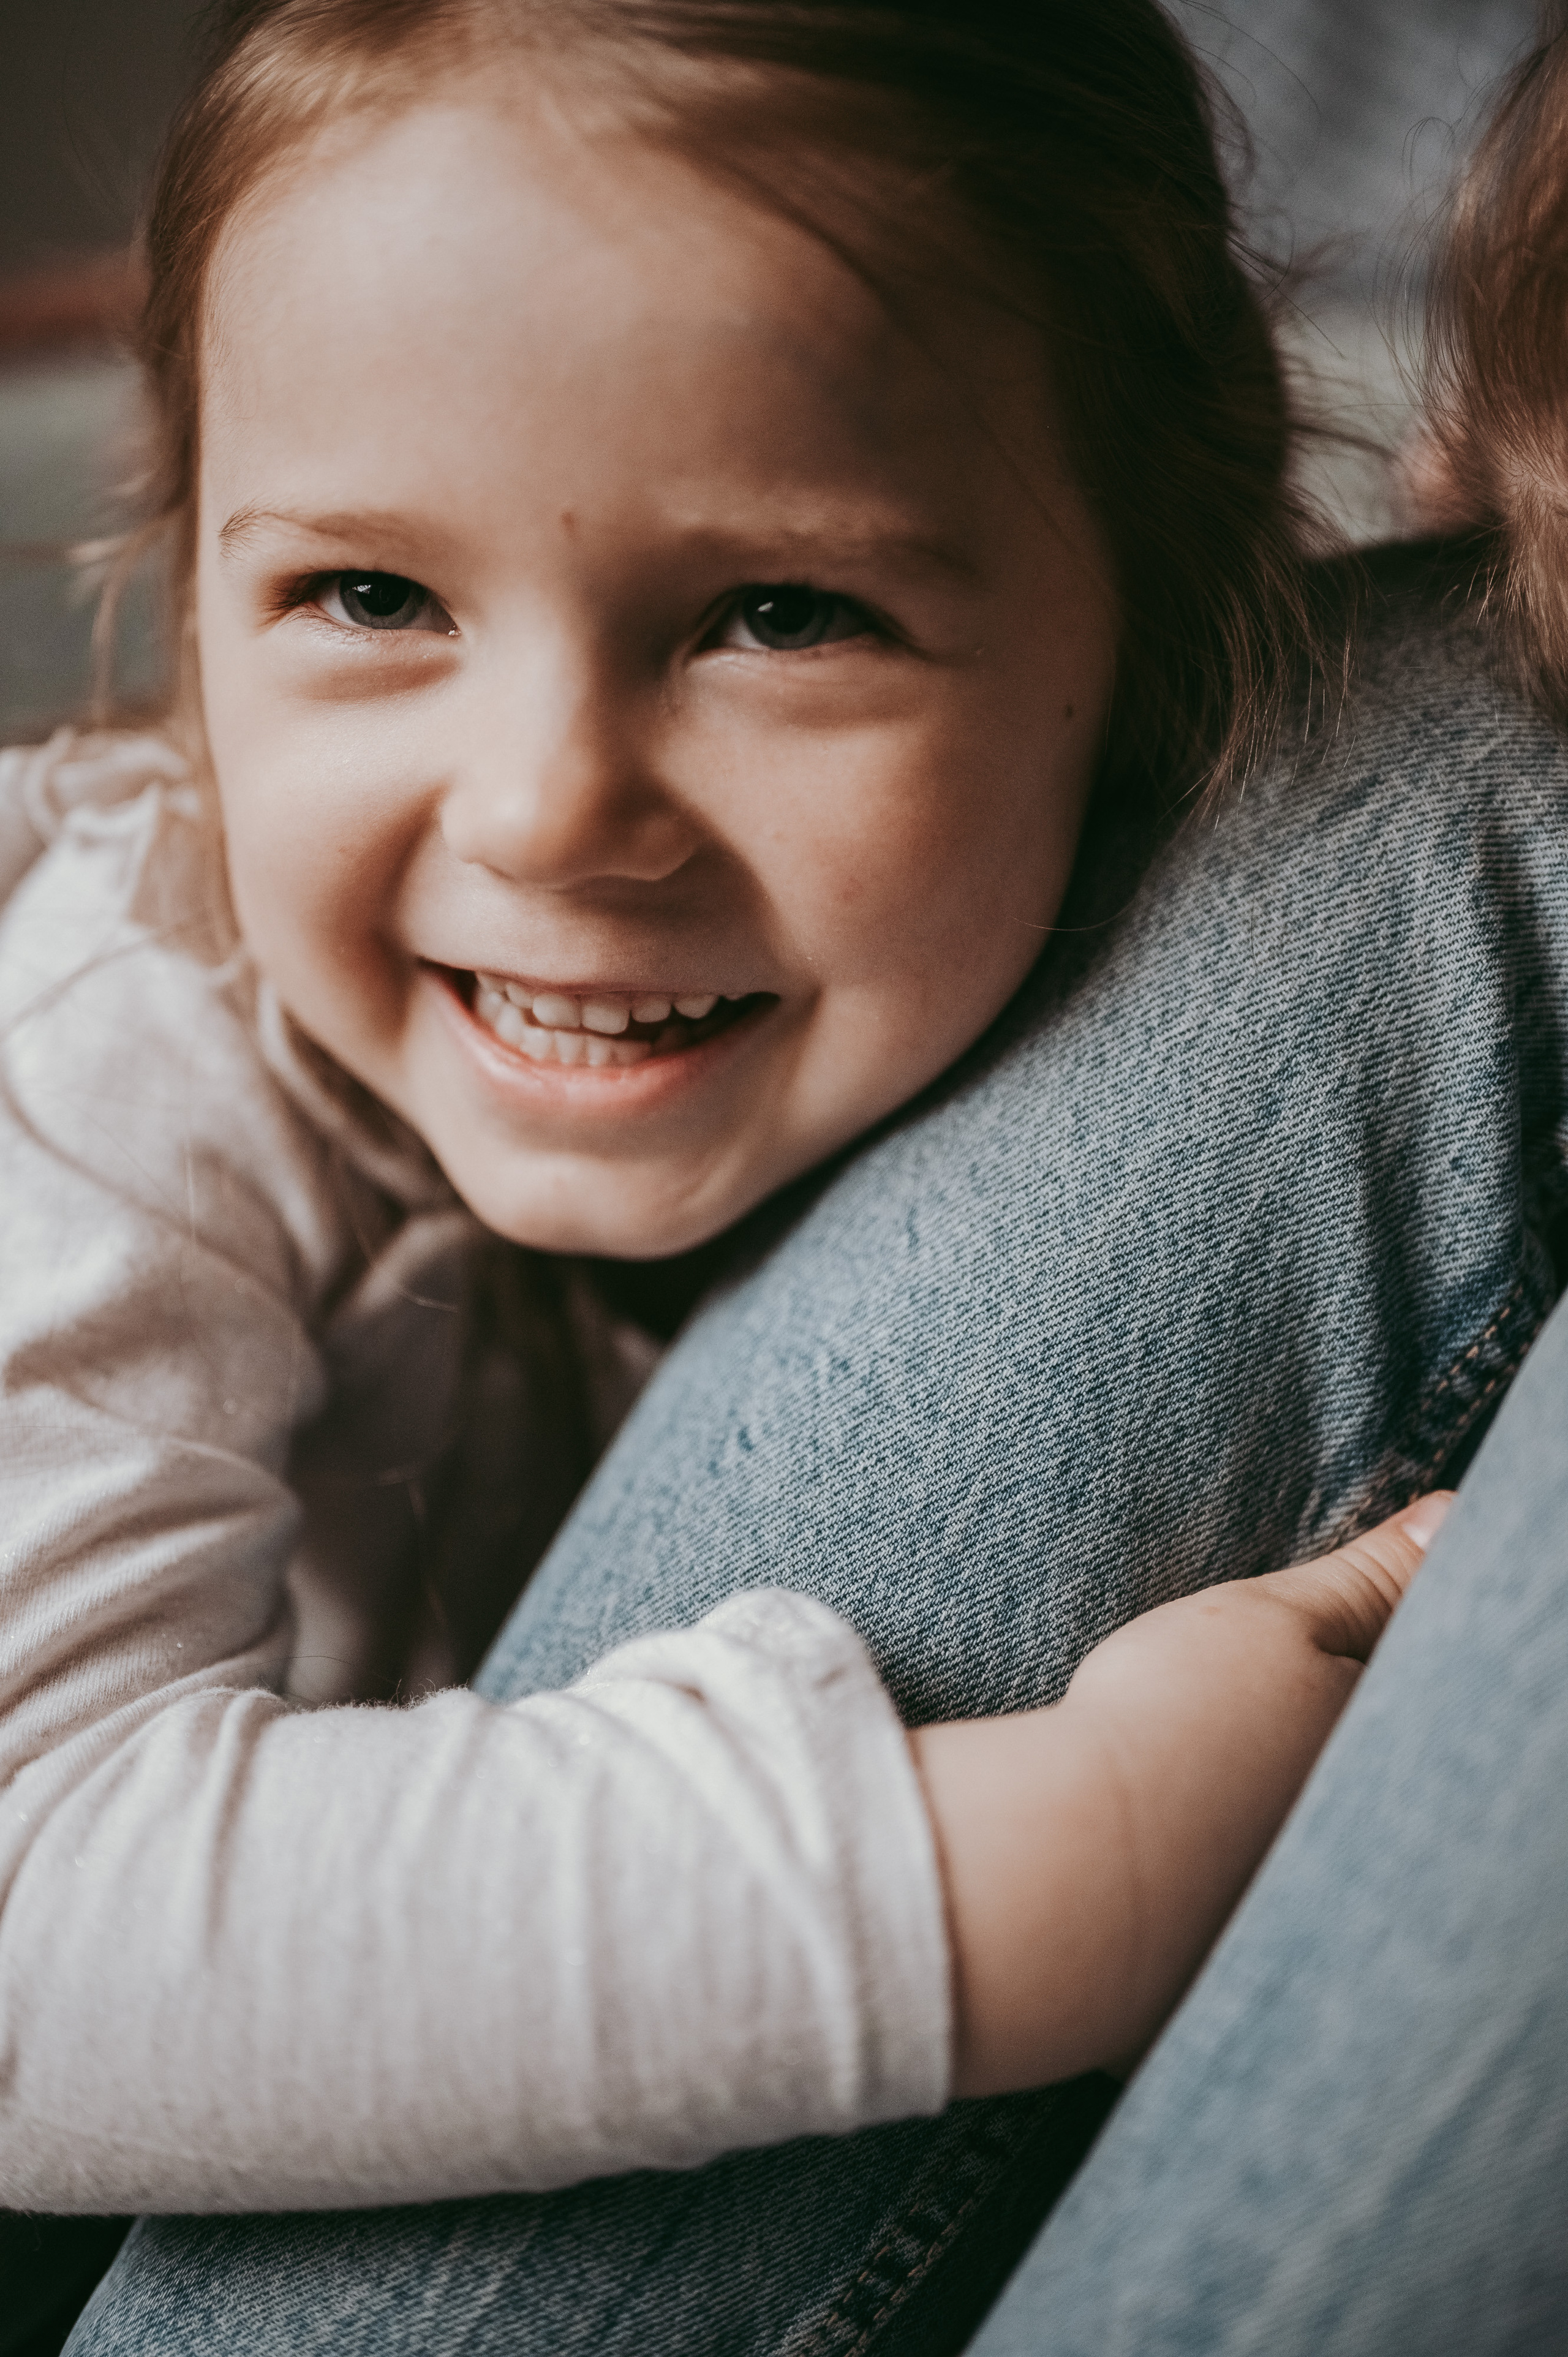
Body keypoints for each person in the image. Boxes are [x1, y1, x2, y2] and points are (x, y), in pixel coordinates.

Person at [21, 1, 1568, 2350]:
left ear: (1158, 580)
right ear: (189, 551)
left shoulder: (1148, 902)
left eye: (779, 614)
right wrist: (1054, 1870)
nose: (546, 809)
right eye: (367, 598)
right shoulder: (108, 1049)